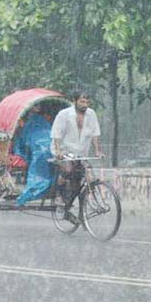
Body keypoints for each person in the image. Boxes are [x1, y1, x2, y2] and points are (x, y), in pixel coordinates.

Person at [50, 92, 104, 224]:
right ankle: (57, 195)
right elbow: (57, 133)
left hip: (80, 152)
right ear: (74, 101)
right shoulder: (64, 114)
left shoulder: (91, 115)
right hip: (64, 149)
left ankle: (67, 208)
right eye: (82, 102)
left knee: (77, 182)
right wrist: (58, 151)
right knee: (68, 169)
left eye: (87, 102)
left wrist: (98, 150)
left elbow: (95, 134)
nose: (85, 105)